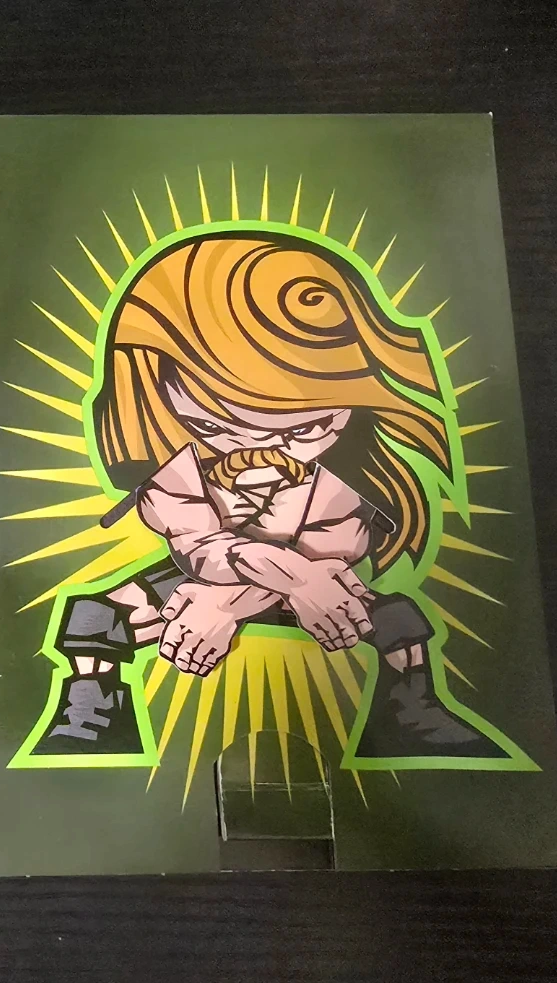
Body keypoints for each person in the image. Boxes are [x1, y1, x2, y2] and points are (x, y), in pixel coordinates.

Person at [34, 232, 506, 760]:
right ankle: (89, 717)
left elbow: (332, 557)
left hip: (310, 580)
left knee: (395, 618)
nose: (256, 447)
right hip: (227, 572)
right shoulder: (175, 467)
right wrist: (276, 579)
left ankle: (413, 712)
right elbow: (199, 547)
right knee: (97, 615)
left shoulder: (344, 475)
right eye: (213, 425)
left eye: (302, 429)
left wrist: (225, 606)